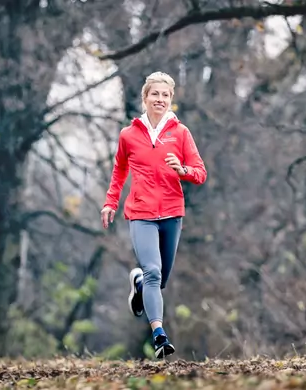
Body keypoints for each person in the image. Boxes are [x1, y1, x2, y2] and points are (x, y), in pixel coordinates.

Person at [100, 71, 207, 358]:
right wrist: (111, 201)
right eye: (155, 94)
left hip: (172, 213)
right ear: (145, 98)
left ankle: (137, 284)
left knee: (158, 281)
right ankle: (159, 334)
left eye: (165, 95)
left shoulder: (181, 133)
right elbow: (120, 169)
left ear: (171, 101)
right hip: (141, 213)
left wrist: (182, 170)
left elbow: (201, 173)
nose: (160, 99)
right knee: (153, 272)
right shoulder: (129, 135)